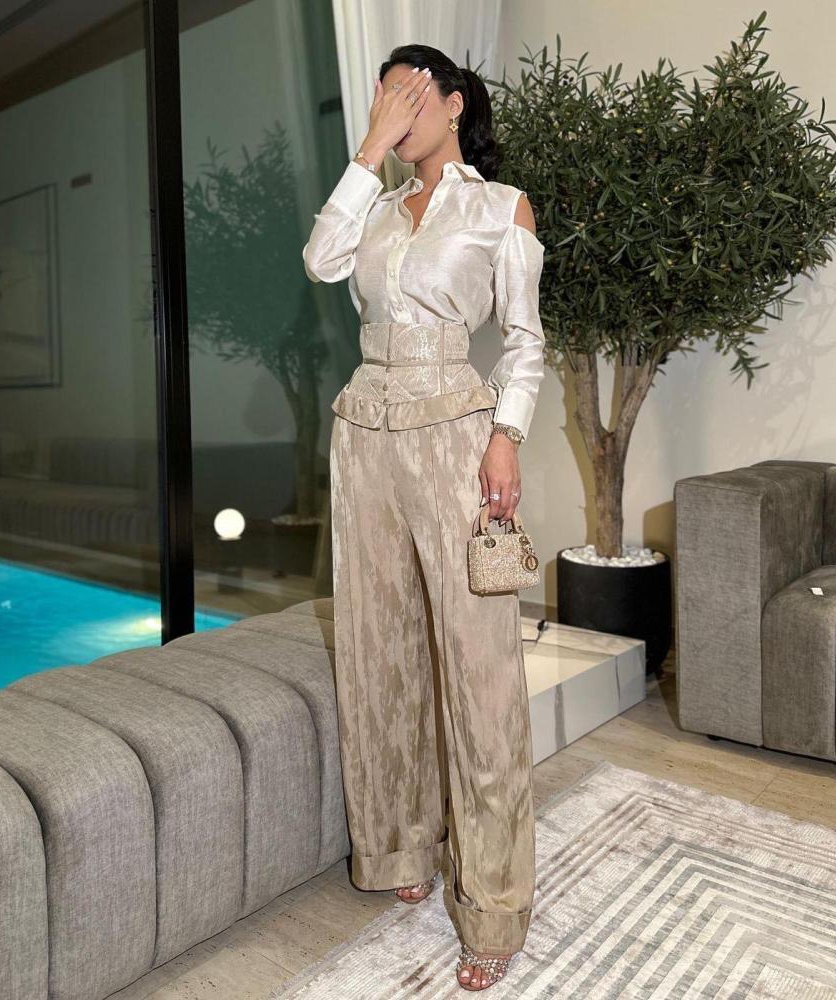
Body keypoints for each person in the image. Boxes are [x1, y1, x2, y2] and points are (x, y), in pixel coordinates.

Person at [301, 43, 546, 992]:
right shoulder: (372, 209)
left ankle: (493, 903)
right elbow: (320, 261)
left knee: (480, 670)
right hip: (364, 431)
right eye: (383, 97)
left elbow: (523, 342)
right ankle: (402, 844)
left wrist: (506, 437)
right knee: (379, 649)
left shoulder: (500, 207)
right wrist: (369, 150)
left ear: (452, 104)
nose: (395, 109)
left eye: (407, 94)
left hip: (455, 430)